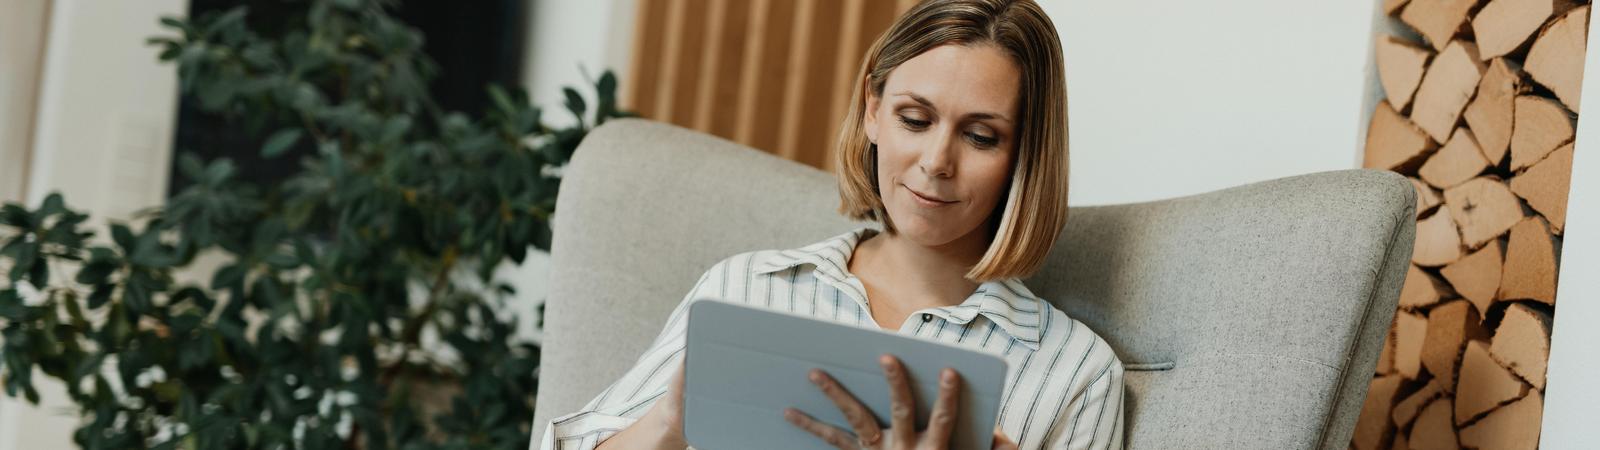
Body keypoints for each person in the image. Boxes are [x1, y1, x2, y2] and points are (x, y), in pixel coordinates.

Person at [538, 0, 1123, 448]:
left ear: (1025, 154)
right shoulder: (749, 289)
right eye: (914, 119)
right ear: (873, 109)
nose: (936, 162)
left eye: (980, 136)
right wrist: (672, 422)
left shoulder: (1075, 372)